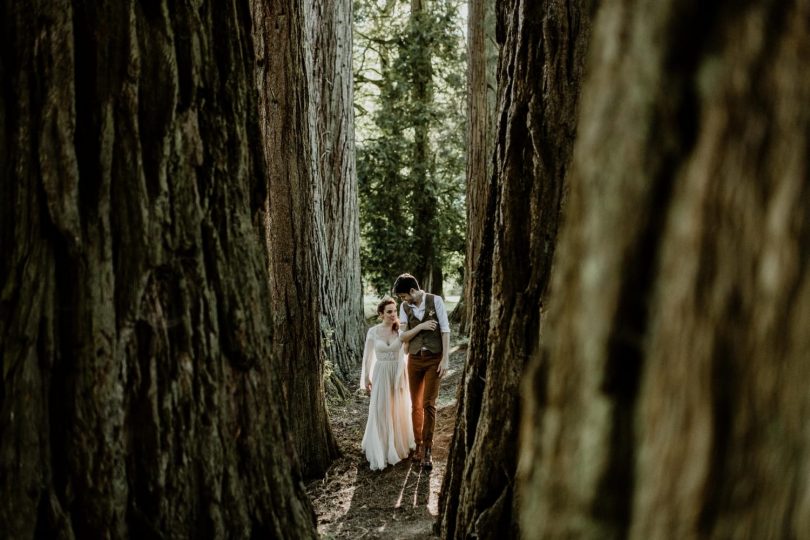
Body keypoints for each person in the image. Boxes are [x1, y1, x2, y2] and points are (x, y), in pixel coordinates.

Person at [393, 273, 450, 470]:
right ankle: (418, 444)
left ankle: (428, 449)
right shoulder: (404, 307)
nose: (403, 300)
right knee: (415, 405)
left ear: (412, 291)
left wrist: (445, 358)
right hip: (414, 360)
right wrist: (422, 326)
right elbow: (403, 336)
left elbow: (445, 330)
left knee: (429, 404)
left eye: (403, 296)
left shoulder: (436, 301)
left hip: (434, 359)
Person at [360, 297, 421, 470]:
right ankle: (382, 445)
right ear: (381, 314)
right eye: (389, 312)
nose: (393, 315)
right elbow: (368, 356)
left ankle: (397, 444)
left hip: (397, 373)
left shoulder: (401, 330)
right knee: (380, 408)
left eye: (395, 311)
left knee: (398, 407)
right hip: (380, 373)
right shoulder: (373, 331)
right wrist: (366, 378)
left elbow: (407, 350)